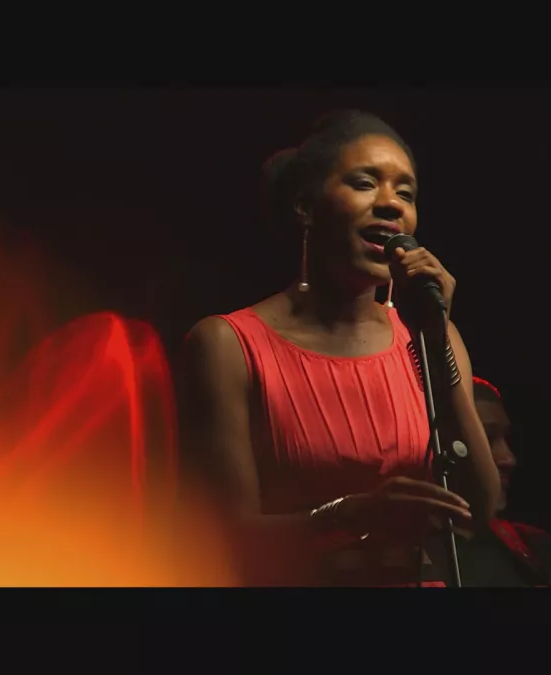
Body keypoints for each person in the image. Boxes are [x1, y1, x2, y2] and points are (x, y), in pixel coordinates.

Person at [178, 109, 501, 586]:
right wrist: (349, 516)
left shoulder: (432, 335)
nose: (391, 204)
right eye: (365, 183)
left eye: (406, 193)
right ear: (305, 207)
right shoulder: (227, 346)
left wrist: (434, 340)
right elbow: (216, 536)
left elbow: (481, 506)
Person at [455, 376, 551, 586]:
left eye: (506, 438)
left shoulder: (541, 549)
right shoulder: (410, 558)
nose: (509, 458)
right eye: (486, 438)